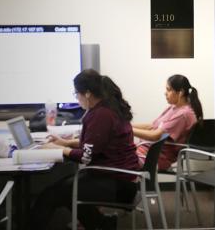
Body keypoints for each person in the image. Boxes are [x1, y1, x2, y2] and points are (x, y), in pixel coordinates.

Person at [31, 69, 139, 230]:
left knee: (50, 195)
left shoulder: (102, 115)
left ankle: (101, 224)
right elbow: (95, 144)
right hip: (123, 179)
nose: (77, 98)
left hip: (117, 185)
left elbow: (86, 157)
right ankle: (103, 224)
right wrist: (65, 143)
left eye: (77, 94)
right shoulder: (109, 109)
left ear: (87, 93)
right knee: (66, 189)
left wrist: (58, 149)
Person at [133, 74, 203, 171]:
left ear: (181, 92)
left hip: (156, 157)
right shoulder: (173, 108)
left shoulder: (183, 115)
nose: (165, 93)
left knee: (114, 159)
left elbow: (155, 135)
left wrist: (128, 129)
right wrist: (127, 125)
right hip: (147, 151)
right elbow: (152, 126)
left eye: (168, 90)